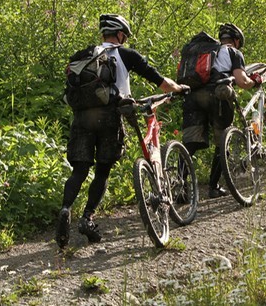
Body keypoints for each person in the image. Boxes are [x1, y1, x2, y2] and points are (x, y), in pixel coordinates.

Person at [56, 14, 186, 248]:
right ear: (119, 34)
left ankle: (65, 208)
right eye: (124, 35)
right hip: (109, 117)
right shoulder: (126, 55)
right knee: (102, 171)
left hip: (82, 117)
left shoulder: (85, 55)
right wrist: (178, 88)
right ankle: (87, 218)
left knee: (80, 170)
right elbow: (161, 82)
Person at [181, 23, 262, 199]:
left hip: (193, 97)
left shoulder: (206, 52)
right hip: (217, 95)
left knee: (190, 143)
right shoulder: (233, 52)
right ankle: (213, 187)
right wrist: (255, 81)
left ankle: (180, 187)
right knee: (222, 141)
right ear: (237, 41)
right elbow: (242, 81)